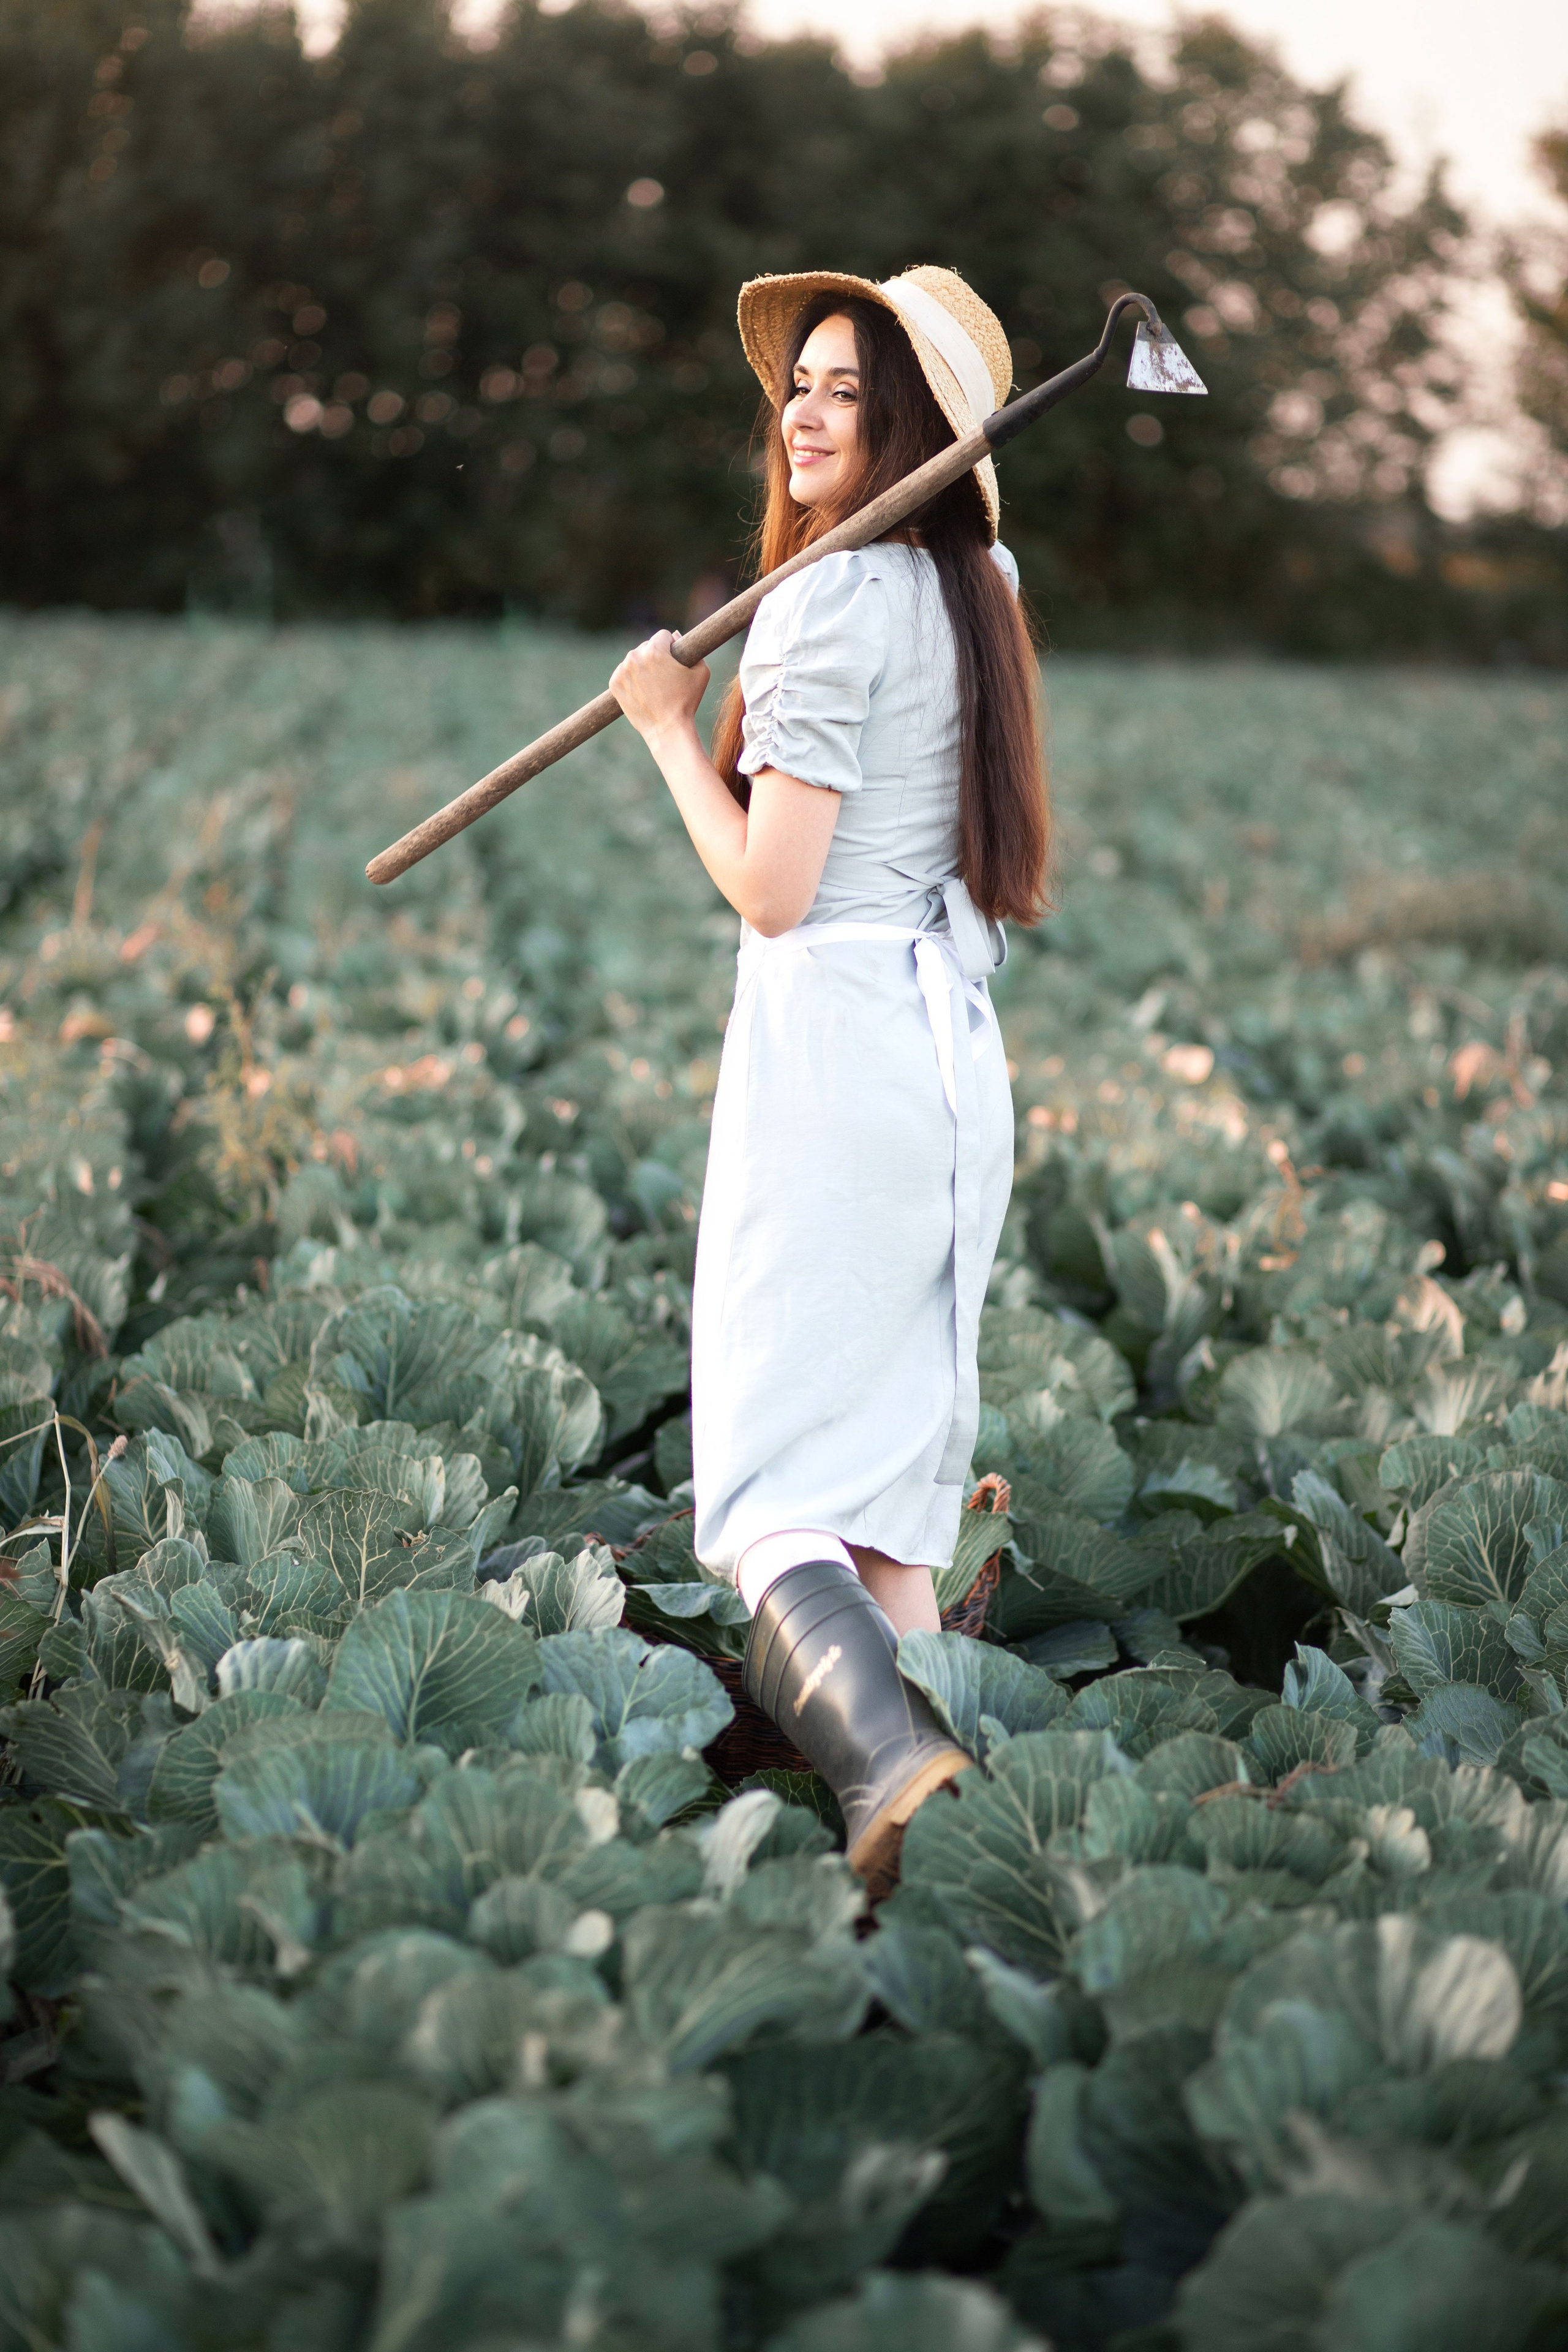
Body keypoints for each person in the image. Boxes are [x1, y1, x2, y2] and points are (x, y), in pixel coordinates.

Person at [609, 266, 1050, 1893]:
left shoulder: (825, 601)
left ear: (915, 425)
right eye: (798, 381)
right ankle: (963, 1874)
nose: (801, 411)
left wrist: (667, 726)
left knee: (773, 1494)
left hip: (837, 1062)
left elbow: (775, 889)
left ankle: (886, 1763)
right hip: (946, 1069)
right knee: (881, 1518)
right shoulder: (978, 586)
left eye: (848, 388)